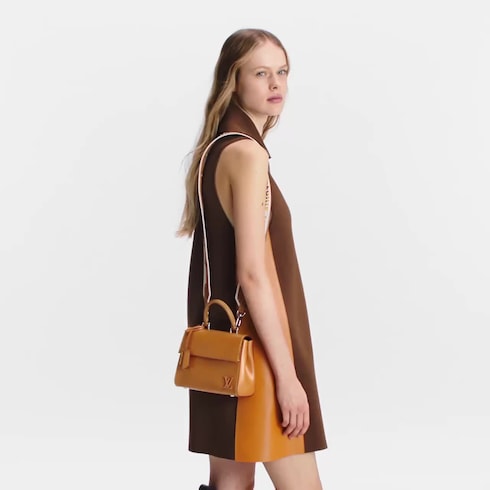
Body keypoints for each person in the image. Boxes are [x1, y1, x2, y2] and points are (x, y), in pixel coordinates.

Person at [177, 28, 327, 490]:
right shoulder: (246, 154)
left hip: (221, 353)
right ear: (233, 80)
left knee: (230, 484)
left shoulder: (216, 149)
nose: (276, 83)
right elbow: (252, 274)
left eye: (282, 71)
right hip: (256, 354)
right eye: (261, 73)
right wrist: (288, 378)